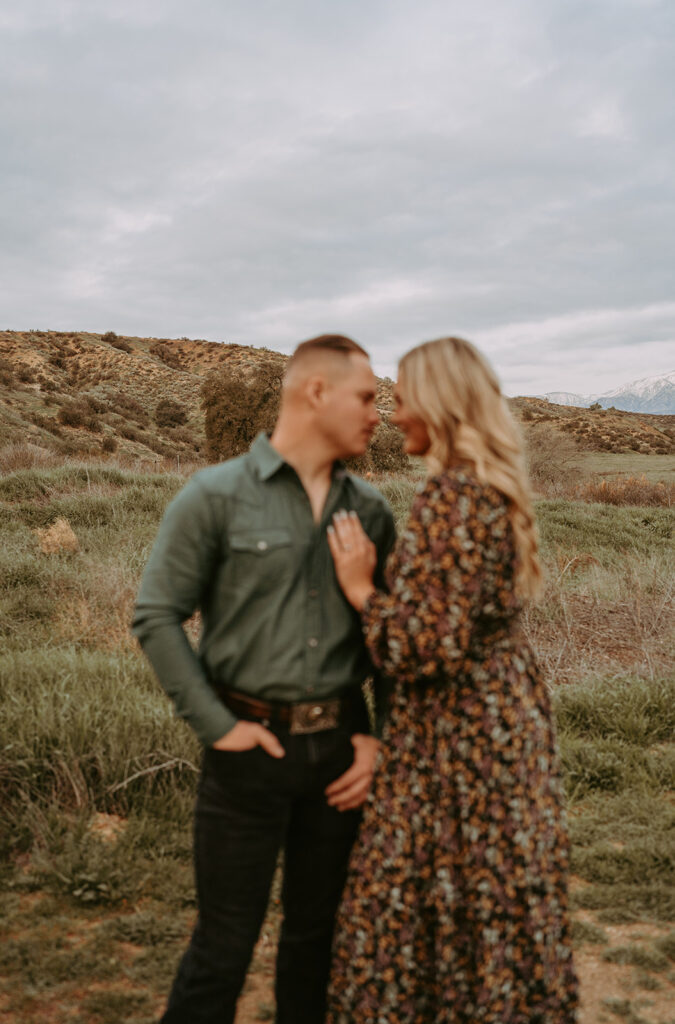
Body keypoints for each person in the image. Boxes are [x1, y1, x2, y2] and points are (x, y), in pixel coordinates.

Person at [132, 334, 396, 1024]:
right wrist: (218, 728)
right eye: (367, 397)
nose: (379, 414)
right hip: (245, 757)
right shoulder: (213, 496)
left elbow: (392, 636)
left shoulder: (371, 510)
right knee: (222, 949)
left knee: (316, 944)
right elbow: (157, 617)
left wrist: (382, 741)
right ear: (316, 392)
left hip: (341, 758)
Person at [325, 337, 579, 1024]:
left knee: (431, 888)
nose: (392, 411)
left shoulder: (452, 496)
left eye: (402, 397)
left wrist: (359, 591)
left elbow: (422, 647)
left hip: (461, 735)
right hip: (499, 718)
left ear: (437, 405)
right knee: (492, 886)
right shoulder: (484, 486)